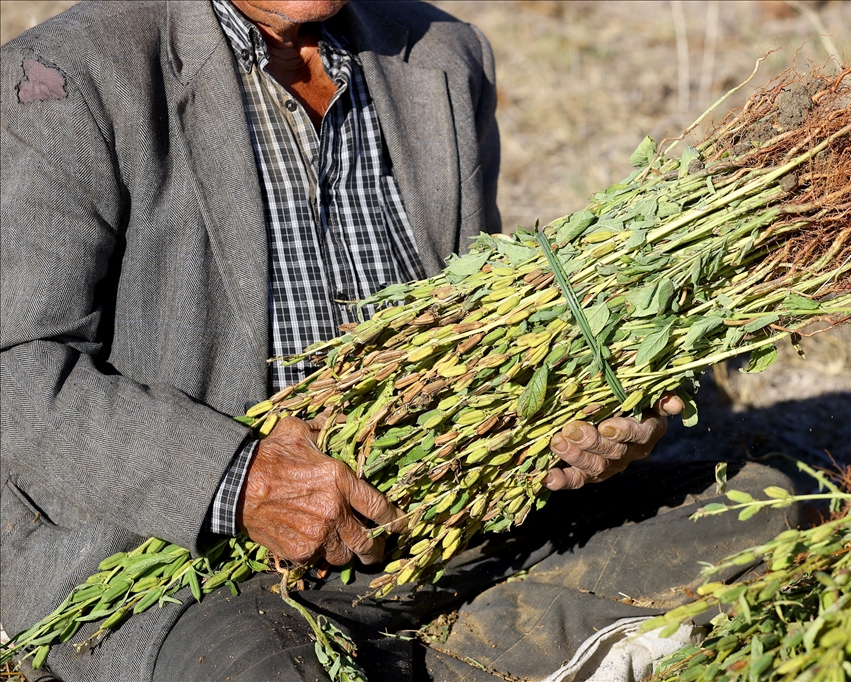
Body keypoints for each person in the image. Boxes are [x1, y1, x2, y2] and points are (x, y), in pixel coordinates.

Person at [1, 2, 797, 680]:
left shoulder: (442, 55)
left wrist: (572, 420)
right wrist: (240, 480)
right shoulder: (63, 78)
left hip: (428, 535)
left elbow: (470, 333)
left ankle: (428, 649)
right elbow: (16, 369)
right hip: (185, 556)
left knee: (772, 502)